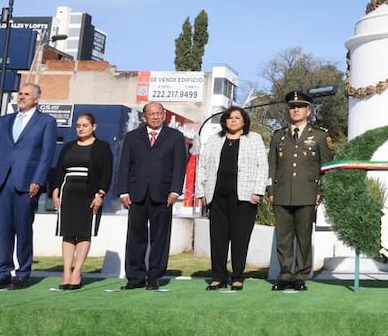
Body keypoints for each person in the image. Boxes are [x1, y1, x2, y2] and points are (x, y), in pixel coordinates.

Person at [0, 83, 57, 291]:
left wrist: (38, 180)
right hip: (2, 183)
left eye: (27, 94)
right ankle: (2, 273)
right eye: (20, 94)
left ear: (36, 99)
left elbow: (46, 154)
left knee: (23, 229)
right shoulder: (5, 121)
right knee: (3, 230)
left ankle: (23, 273)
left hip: (27, 183)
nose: (22, 97)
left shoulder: (46, 122)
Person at [194, 106, 268, 291]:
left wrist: (258, 191)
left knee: (240, 238)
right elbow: (201, 166)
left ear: (244, 121)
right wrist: (201, 192)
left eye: (237, 117)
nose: (233, 120)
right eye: (229, 117)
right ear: (224, 121)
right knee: (218, 238)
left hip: (244, 197)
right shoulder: (214, 140)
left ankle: (237, 276)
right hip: (217, 196)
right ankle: (218, 276)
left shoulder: (254, 139)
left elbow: (262, 167)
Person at [116, 101, 187, 291]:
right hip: (136, 194)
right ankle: (135, 277)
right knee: (135, 237)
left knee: (160, 237)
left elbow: (179, 167)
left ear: (164, 115)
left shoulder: (176, 137)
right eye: (151, 114)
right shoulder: (132, 137)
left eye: (159, 113)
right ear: (143, 117)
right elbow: (124, 165)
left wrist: (175, 191)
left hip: (163, 195)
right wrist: (123, 191)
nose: (155, 117)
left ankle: (155, 276)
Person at [268, 90, 335, 291]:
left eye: (299, 107)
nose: (295, 110)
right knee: (283, 237)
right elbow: (271, 165)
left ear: (308, 110)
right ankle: (285, 273)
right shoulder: (278, 136)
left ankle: (300, 275)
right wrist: (270, 189)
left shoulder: (320, 136)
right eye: (292, 107)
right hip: (281, 193)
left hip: (307, 193)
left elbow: (327, 168)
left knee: (304, 236)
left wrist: (320, 192)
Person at [50, 112, 113, 290]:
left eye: (85, 125)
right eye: (78, 125)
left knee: (84, 232)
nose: (81, 128)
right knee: (67, 233)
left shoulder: (102, 147)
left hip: (89, 193)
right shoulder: (69, 146)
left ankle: (77, 271)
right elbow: (59, 169)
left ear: (94, 127)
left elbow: (106, 172)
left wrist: (100, 194)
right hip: (68, 191)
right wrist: (55, 191)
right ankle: (66, 272)